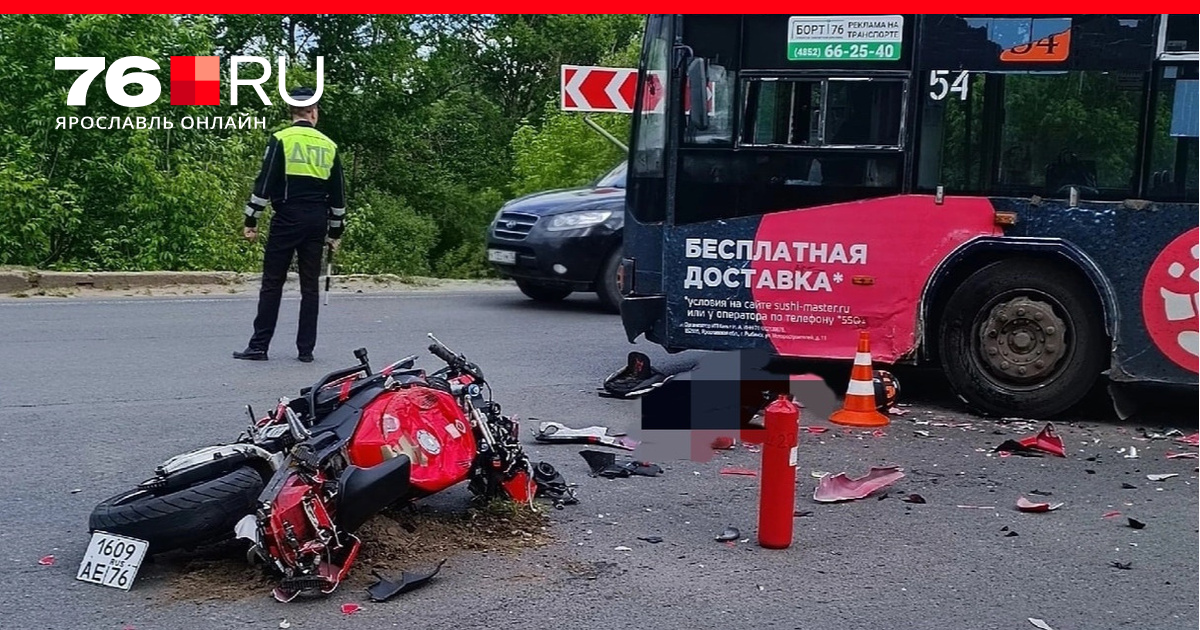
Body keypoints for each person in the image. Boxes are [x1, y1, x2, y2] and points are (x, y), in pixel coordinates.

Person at [233, 86, 346, 363]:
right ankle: (305, 350)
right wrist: (335, 231)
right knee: (310, 286)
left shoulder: (281, 139)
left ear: (292, 111)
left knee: (273, 283)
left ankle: (259, 346)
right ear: (313, 112)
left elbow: (265, 182)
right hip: (316, 221)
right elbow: (338, 193)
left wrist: (251, 219)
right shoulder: (329, 146)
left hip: (286, 218)